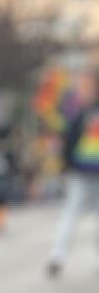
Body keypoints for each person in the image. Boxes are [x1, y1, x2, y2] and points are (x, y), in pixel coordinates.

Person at [46, 98, 99, 277]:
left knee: (78, 215)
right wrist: (66, 165)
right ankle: (58, 255)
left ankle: (58, 255)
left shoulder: (79, 111)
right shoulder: (76, 111)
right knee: (69, 213)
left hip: (88, 171)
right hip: (79, 172)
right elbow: (68, 138)